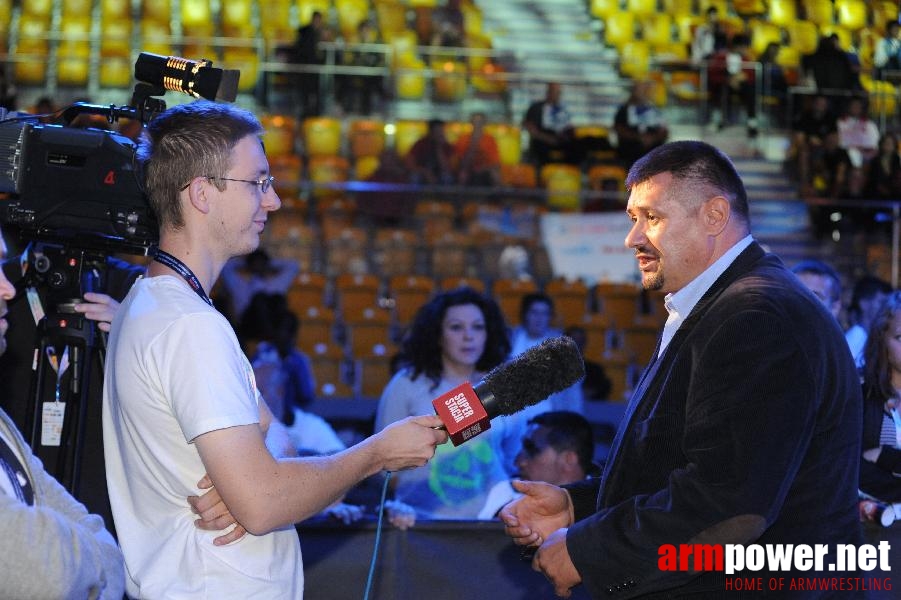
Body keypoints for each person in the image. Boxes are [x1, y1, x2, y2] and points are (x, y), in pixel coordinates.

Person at [102, 100, 447, 598]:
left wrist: (252, 481)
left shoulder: (157, 304)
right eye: (257, 182)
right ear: (201, 193)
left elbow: (275, 436)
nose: (273, 201)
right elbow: (264, 503)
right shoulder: (189, 328)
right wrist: (376, 453)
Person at [500, 140, 863, 598]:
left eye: (652, 217)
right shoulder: (717, 306)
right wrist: (578, 505)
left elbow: (729, 506)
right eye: (633, 219)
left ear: (714, 215)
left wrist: (589, 547)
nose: (632, 238)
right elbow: (683, 466)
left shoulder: (756, 317)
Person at [0, 226, 125, 599]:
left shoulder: (130, 293)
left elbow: (112, 563)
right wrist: (93, 559)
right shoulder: (20, 304)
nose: (8, 287)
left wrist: (138, 345)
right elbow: (41, 572)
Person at [374, 286, 519, 520]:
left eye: (478, 327)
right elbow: (382, 462)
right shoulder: (406, 384)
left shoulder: (501, 385)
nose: (468, 336)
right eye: (456, 327)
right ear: (437, 334)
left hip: (491, 527)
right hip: (421, 525)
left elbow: (511, 457)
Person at [479, 410, 601, 519]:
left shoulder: (601, 509)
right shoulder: (505, 492)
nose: (518, 462)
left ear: (569, 460)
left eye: (532, 450)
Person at [859, 291, 901, 517]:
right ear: (882, 338)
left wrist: (885, 457)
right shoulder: (861, 394)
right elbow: (854, 468)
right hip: (876, 527)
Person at [509, 293, 583, 416]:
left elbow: (573, 392)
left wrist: (574, 421)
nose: (539, 318)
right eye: (534, 312)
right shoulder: (510, 339)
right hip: (511, 415)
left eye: (544, 313)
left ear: (550, 316)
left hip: (546, 418)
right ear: (525, 314)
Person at [219, 247, 299, 324]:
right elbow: (225, 266)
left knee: (284, 310)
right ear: (249, 265)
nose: (258, 266)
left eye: (260, 263)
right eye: (255, 263)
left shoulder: (276, 285)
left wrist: (268, 263)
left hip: (272, 325)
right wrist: (246, 263)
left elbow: (293, 265)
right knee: (259, 301)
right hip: (245, 325)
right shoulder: (239, 285)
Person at [613, 79, 669, 170]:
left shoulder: (656, 110)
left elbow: (664, 131)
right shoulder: (624, 110)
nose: (644, 91)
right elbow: (619, 129)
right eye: (641, 89)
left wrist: (652, 138)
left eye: (646, 89)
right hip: (630, 153)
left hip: (653, 153)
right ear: (634, 91)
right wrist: (638, 137)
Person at [845, 275, 893, 369]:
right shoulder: (856, 336)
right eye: (882, 302)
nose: (887, 308)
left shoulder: (866, 337)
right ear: (863, 304)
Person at [452, 111, 501, 186]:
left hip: (486, 170)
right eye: (475, 122)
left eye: (480, 122)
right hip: (468, 169)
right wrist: (473, 144)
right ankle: (460, 196)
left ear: (484, 123)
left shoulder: (490, 140)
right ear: (471, 123)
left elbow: (495, 163)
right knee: (462, 175)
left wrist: (483, 169)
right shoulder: (463, 139)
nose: (477, 124)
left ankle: (497, 196)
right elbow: (460, 162)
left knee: (495, 175)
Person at [563, 324, 611, 401]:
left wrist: (591, 392)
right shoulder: (554, 369)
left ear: (585, 343)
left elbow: (604, 387)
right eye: (574, 340)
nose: (577, 344)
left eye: (580, 340)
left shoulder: (595, 370)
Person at [293, 10, 327, 118]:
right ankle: (305, 114)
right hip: (305, 67)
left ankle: (316, 114)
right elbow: (300, 49)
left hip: (317, 68)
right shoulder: (304, 31)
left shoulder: (322, 32)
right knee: (305, 94)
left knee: (317, 92)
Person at [404, 118, 455, 185]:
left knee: (447, 178)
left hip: (439, 175)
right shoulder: (421, 144)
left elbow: (447, 168)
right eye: (436, 131)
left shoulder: (447, 146)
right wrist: (425, 172)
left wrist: (439, 147)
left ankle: (444, 195)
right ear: (430, 131)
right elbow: (409, 163)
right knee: (414, 177)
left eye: (441, 130)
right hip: (422, 174)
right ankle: (415, 195)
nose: (439, 133)